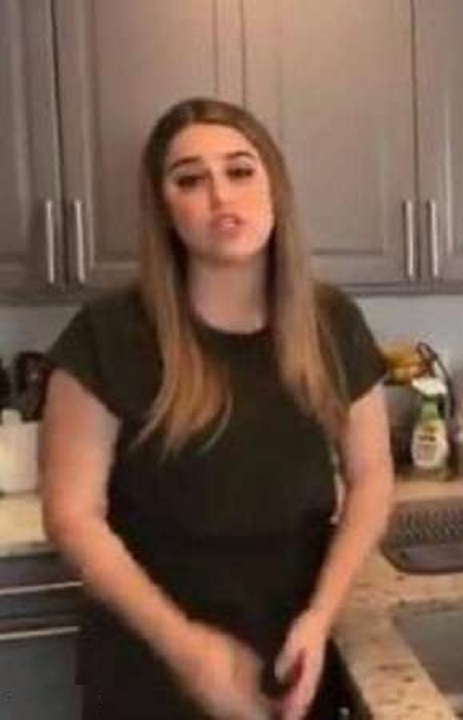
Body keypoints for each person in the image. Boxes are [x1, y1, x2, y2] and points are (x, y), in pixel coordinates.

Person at [39, 98, 394, 719]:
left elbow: (371, 479)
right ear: (164, 209)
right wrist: (190, 653)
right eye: (190, 180)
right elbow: (73, 516)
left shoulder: (331, 323)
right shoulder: (108, 335)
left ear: (274, 186)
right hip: (150, 667)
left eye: (240, 170)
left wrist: (320, 616)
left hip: (292, 657)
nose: (220, 196)